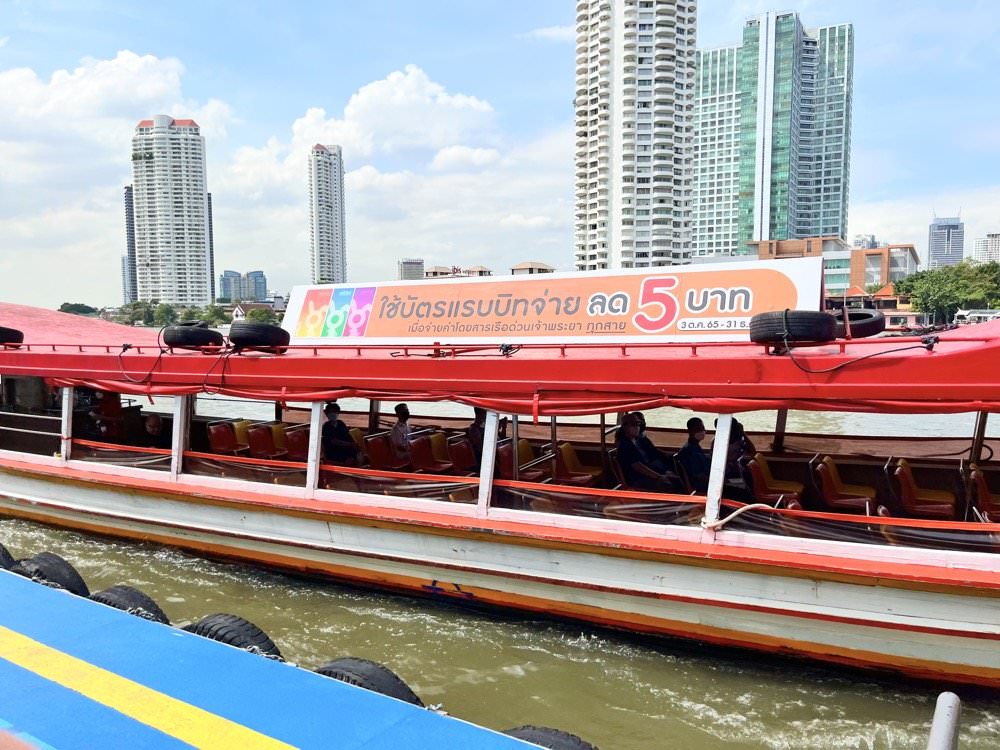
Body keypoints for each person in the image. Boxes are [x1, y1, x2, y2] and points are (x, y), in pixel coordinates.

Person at [615, 414, 677, 492]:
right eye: (633, 425)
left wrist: (664, 472)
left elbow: (651, 457)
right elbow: (639, 467)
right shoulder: (625, 445)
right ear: (625, 427)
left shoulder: (639, 440)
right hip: (638, 478)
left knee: (676, 478)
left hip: (647, 474)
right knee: (668, 484)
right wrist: (659, 476)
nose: (637, 427)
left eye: (638, 424)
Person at [676, 417, 711, 493]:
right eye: (698, 429)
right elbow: (698, 475)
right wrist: (716, 480)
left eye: (703, 428)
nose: (702, 431)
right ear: (690, 431)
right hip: (701, 486)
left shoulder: (695, 446)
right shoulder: (688, 451)